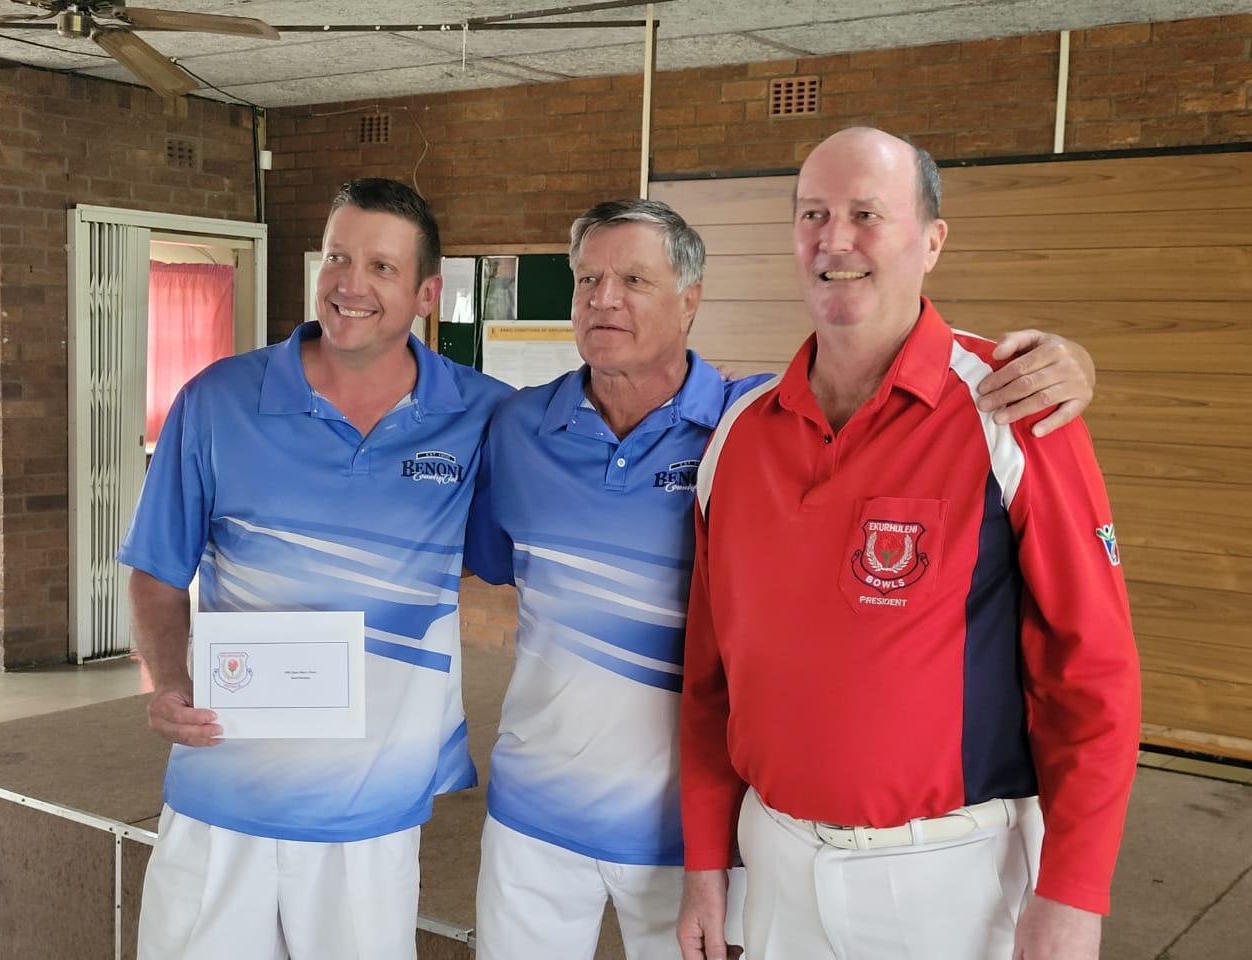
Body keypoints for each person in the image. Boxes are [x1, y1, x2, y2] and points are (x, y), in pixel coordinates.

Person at [465, 198, 1099, 960]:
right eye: (587, 280)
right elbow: (497, 561)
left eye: (633, 279)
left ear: (690, 300)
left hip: (693, 836)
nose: (604, 299)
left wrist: (1066, 363)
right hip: (533, 816)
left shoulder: (750, 424)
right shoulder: (517, 428)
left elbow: (872, 384)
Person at [677, 127, 1140, 960]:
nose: (835, 239)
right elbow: (711, 680)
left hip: (951, 881)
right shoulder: (738, 437)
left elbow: (1092, 671)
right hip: (775, 866)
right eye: (813, 214)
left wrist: (1074, 892)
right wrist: (706, 860)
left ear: (931, 242)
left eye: (867, 214)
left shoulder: (1014, 409)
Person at [119, 178, 512, 960]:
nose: (349, 284)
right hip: (221, 796)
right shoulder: (217, 400)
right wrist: (169, 683)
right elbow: (157, 570)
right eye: (337, 257)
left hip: (372, 814)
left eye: (381, 266)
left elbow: (506, 552)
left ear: (426, 293)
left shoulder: (485, 415)